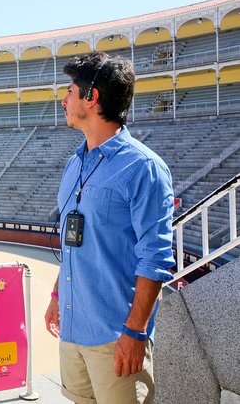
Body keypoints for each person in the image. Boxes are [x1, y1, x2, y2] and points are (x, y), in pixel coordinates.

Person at [44, 51, 175, 404]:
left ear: (92, 97)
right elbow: (72, 243)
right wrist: (58, 296)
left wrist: (134, 332)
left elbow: (156, 259)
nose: (64, 99)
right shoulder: (75, 163)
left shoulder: (144, 168)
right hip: (73, 330)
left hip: (115, 336)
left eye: (70, 90)